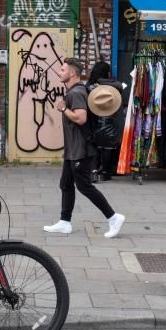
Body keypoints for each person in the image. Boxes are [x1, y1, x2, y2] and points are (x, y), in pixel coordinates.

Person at [43, 58, 125, 238]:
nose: (59, 71)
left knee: (84, 186)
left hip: (81, 149)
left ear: (72, 73)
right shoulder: (74, 91)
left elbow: (81, 118)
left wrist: (63, 109)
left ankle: (113, 217)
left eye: (63, 69)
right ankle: (64, 222)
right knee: (66, 184)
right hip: (73, 149)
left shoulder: (76, 93)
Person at [85, 61, 127, 182]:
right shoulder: (117, 86)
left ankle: (94, 170)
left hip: (96, 119)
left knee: (95, 145)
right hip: (112, 121)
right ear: (107, 73)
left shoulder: (91, 86)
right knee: (108, 147)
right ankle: (106, 172)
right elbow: (123, 92)